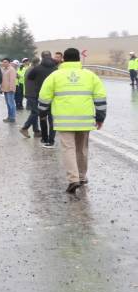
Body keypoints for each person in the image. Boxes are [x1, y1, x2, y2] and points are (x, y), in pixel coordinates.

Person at [38, 48, 107, 194]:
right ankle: (82, 177)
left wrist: (42, 113)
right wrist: (100, 117)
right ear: (79, 59)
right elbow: (100, 97)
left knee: (68, 149)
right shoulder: (90, 75)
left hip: (64, 121)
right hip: (85, 120)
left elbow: (44, 97)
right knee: (82, 149)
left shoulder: (55, 76)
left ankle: (73, 179)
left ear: (63, 59)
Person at [23, 52, 57, 144]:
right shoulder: (56, 68)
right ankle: (51, 139)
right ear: (50, 57)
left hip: (41, 96)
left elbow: (30, 77)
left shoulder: (37, 68)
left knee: (43, 117)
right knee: (52, 119)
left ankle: (44, 138)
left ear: (42, 57)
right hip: (54, 96)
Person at [0, 58, 18, 122]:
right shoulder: (3, 69)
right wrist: (1, 89)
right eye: (3, 62)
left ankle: (12, 117)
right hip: (5, 89)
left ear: (9, 63)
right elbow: (2, 80)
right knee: (8, 104)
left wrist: (11, 89)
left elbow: (12, 80)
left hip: (10, 90)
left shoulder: (11, 70)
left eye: (5, 62)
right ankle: (9, 116)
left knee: (11, 104)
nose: (4, 63)